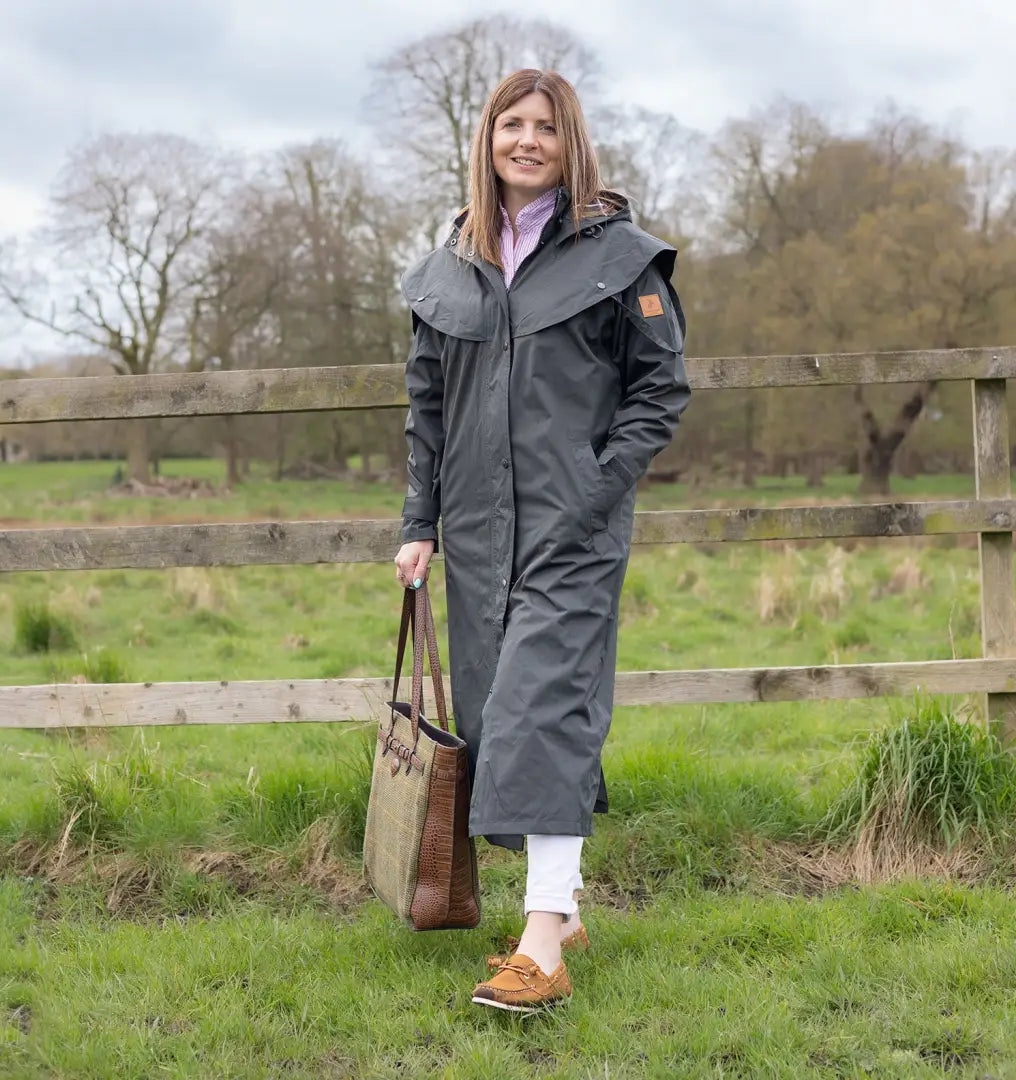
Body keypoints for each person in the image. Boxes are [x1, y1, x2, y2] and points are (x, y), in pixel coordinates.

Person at [394, 68, 691, 1014]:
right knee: (492, 721)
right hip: (478, 537)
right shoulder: (449, 268)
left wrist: (595, 494)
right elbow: (426, 408)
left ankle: (540, 950)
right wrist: (418, 527)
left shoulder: (619, 259)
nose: (527, 141)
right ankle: (559, 909)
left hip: (573, 532)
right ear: (486, 139)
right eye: (510, 125)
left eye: (546, 128)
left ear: (573, 145)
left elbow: (659, 393)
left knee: (539, 714)